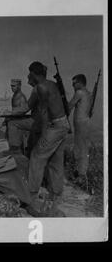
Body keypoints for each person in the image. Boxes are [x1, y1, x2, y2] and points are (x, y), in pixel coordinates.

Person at [25, 61, 70, 217]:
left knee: (36, 157)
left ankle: (32, 199)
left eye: (30, 73)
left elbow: (44, 114)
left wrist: (43, 137)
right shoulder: (50, 84)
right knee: (55, 161)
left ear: (34, 73)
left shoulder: (41, 88)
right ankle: (55, 195)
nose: (29, 76)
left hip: (54, 127)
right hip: (64, 124)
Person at [68, 74, 92, 187]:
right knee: (83, 148)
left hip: (80, 124)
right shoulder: (88, 93)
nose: (73, 86)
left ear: (80, 83)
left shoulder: (79, 92)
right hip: (85, 123)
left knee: (80, 148)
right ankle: (81, 173)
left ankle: (81, 176)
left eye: (74, 83)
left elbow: (70, 105)